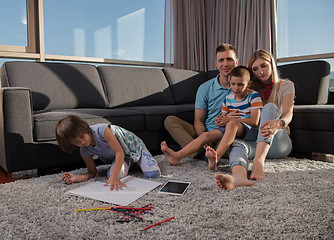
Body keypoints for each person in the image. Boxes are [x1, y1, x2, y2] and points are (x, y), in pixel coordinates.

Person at [214, 49, 295, 190]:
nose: (260, 72)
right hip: (255, 140)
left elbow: (288, 114)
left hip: (278, 140)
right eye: (255, 69)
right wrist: (225, 119)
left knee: (269, 108)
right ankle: (239, 177)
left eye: (264, 66)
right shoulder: (249, 90)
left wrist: (279, 123)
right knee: (237, 144)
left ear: (271, 64)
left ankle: (258, 163)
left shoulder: (286, 85)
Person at [162, 66, 263, 170]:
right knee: (207, 135)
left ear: (248, 84)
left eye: (240, 84)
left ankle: (216, 157)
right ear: (230, 81)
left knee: (232, 124)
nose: (236, 88)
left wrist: (231, 120)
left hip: (248, 130)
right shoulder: (228, 99)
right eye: (233, 84)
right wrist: (219, 121)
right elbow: (223, 118)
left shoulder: (254, 96)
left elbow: (254, 122)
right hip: (230, 128)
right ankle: (177, 156)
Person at [163, 43, 238, 159]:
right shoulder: (205, 88)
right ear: (217, 64)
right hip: (205, 132)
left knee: (232, 144)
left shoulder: (243, 87)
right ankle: (199, 151)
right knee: (170, 120)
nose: (225, 64)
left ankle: (195, 151)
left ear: (236, 62)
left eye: (229, 59)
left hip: (224, 134)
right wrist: (203, 137)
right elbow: (198, 120)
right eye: (221, 60)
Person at [56, 115, 161, 191]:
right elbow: (93, 172)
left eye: (82, 137)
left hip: (135, 147)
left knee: (153, 174)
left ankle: (138, 161)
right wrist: (77, 178)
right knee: (112, 176)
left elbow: (119, 151)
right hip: (122, 157)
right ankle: (131, 163)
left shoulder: (103, 130)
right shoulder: (84, 150)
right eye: (76, 142)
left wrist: (114, 177)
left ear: (85, 128)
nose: (82, 142)